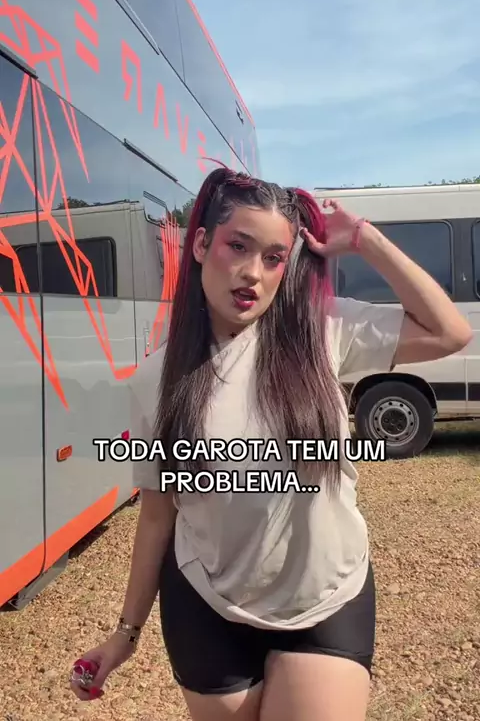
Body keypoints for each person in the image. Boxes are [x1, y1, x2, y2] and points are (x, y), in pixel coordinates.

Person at [70, 167, 472, 721]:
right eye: (238, 246)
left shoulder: (322, 332)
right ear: (201, 244)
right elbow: (159, 515)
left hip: (325, 596)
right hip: (206, 604)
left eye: (274, 257)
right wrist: (125, 633)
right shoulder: (154, 381)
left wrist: (364, 240)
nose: (252, 273)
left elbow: (451, 332)